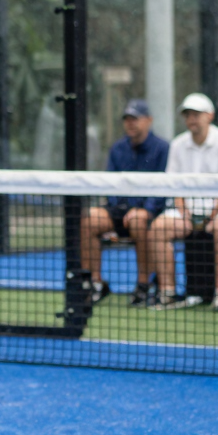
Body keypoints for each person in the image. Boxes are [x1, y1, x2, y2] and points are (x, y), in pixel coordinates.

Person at [147, 93, 218, 312]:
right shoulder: (178, 144)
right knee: (158, 228)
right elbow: (175, 187)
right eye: (187, 115)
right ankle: (168, 293)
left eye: (196, 114)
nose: (191, 119)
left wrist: (209, 216)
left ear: (209, 116)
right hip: (187, 212)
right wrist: (185, 214)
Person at [80, 99, 168, 307]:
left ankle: (144, 285)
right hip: (118, 212)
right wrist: (118, 208)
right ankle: (96, 283)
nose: (130, 123)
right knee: (89, 219)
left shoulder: (163, 148)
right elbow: (110, 184)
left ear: (149, 121)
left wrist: (146, 210)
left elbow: (164, 186)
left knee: (138, 220)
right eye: (127, 119)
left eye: (135, 119)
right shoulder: (117, 148)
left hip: (147, 213)